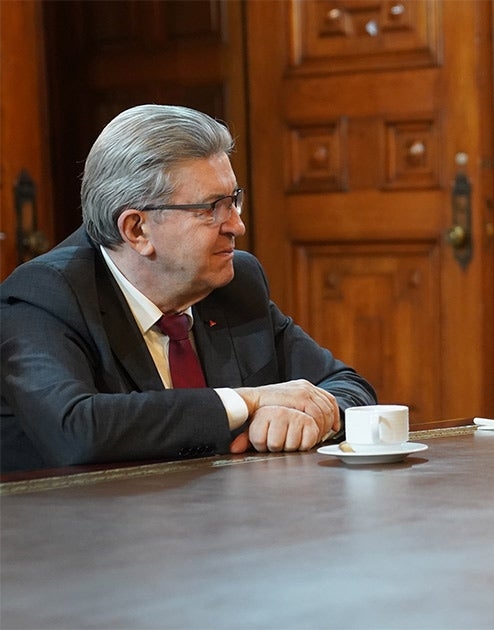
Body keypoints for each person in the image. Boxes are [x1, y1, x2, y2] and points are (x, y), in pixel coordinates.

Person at [0, 104, 377, 472]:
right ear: (137, 229)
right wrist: (246, 402)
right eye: (211, 208)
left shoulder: (234, 282)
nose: (236, 226)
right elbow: (77, 429)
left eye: (234, 201)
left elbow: (347, 386)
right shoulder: (45, 296)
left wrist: (305, 417)